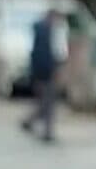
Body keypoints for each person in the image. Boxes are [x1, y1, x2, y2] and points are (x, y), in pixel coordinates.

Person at [21, 8, 67, 143]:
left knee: (43, 102)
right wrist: (58, 69)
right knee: (48, 102)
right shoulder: (54, 31)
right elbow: (60, 53)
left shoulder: (38, 29)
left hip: (38, 71)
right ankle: (47, 132)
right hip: (49, 70)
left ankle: (29, 122)